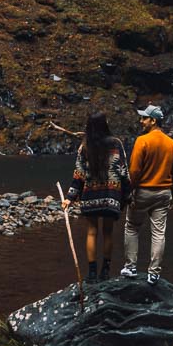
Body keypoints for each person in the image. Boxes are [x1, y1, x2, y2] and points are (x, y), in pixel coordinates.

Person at [67, 111, 128, 283]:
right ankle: (105, 272)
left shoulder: (85, 146)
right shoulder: (116, 144)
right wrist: (128, 195)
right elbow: (124, 171)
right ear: (104, 124)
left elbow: (78, 174)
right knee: (108, 233)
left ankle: (92, 273)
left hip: (90, 194)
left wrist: (69, 197)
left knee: (92, 233)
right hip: (111, 194)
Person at [121, 103, 173, 284]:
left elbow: (135, 171)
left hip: (143, 192)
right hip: (163, 193)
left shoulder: (142, 141)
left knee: (132, 227)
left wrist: (129, 192)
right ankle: (154, 273)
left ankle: (130, 267)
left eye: (144, 118)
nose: (141, 121)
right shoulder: (172, 144)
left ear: (153, 120)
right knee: (158, 233)